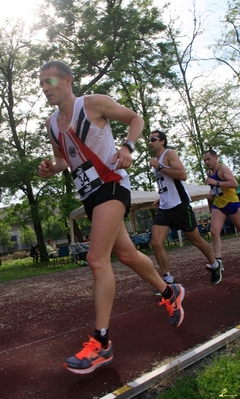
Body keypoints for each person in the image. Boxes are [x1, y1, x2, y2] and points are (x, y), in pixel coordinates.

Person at [38, 60, 185, 375]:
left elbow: (135, 118)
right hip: (90, 196)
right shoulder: (51, 124)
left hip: (113, 185)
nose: (44, 89)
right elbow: (64, 159)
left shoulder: (93, 104)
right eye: (40, 84)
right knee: (128, 254)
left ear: (67, 80)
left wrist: (128, 147)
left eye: (48, 82)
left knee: (96, 259)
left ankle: (101, 343)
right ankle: (169, 290)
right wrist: (52, 169)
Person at [148, 130, 222, 290]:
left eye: (153, 139)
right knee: (156, 242)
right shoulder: (156, 161)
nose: (150, 142)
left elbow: (182, 175)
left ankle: (215, 264)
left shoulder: (169, 154)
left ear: (162, 141)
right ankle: (167, 278)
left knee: (196, 240)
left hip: (179, 206)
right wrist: (162, 197)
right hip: (165, 207)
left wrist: (159, 166)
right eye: (149, 140)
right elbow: (167, 183)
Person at [203, 149, 240, 269]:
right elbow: (216, 187)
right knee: (214, 231)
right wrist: (212, 192)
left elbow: (234, 183)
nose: (206, 162)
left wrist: (216, 183)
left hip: (231, 203)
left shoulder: (223, 169)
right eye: (204, 160)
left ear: (215, 157)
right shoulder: (209, 173)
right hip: (218, 204)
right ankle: (218, 262)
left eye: (208, 159)